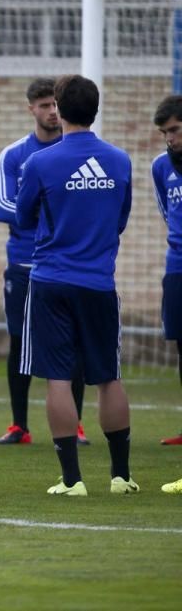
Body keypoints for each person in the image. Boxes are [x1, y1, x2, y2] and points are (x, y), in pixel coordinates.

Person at [16, 74, 136, 496]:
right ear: (96, 110)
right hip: (99, 283)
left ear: (60, 110)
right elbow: (120, 219)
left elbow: (23, 216)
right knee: (108, 375)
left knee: (58, 379)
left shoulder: (41, 162)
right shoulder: (120, 161)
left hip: (51, 279)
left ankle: (72, 480)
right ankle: (121, 476)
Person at [0, 78, 88, 445]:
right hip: (24, 263)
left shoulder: (75, 152)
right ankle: (19, 425)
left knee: (71, 344)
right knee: (19, 342)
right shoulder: (16, 155)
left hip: (65, 264)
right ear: (31, 108)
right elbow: (3, 208)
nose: (52, 112)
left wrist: (39, 212)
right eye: (44, 105)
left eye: (56, 105)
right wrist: (54, 214)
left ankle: (75, 425)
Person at [152, 93, 182, 447]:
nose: (170, 138)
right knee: (180, 345)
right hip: (176, 266)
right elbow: (167, 213)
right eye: (165, 133)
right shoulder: (161, 166)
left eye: (174, 130)